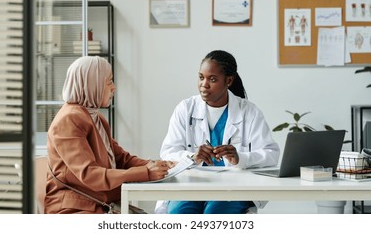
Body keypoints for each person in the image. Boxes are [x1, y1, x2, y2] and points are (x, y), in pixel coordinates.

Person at [157, 50, 280, 214]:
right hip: (191, 185)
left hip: (233, 188)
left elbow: (271, 154)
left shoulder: (249, 112)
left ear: (228, 81)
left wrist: (240, 158)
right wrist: (193, 157)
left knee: (214, 216)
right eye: (201, 77)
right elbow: (168, 152)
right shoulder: (185, 109)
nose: (204, 84)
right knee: (180, 213)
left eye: (212, 79)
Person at [44, 56, 171, 214]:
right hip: (73, 208)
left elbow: (120, 158)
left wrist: (159, 165)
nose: (114, 88)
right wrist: (146, 172)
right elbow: (90, 174)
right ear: (92, 84)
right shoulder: (69, 120)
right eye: (109, 81)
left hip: (96, 202)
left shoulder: (95, 117)